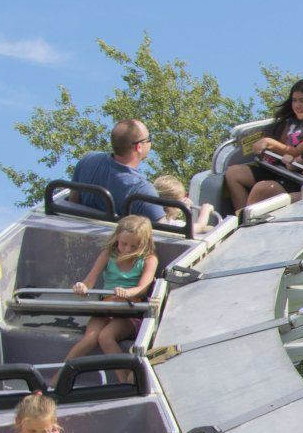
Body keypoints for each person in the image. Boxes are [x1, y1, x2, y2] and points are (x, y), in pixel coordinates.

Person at [66, 216, 159, 372]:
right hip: (106, 307)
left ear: (144, 243)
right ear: (117, 237)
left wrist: (127, 293)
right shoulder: (108, 254)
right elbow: (89, 281)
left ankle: (126, 380)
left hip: (129, 311)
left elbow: (143, 288)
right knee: (89, 340)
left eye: (134, 246)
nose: (128, 249)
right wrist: (82, 287)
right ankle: (55, 381)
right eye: (124, 244)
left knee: (105, 337)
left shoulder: (149, 259)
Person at [222, 79, 303, 212]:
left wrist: (269, 142)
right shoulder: (291, 122)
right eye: (294, 100)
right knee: (233, 173)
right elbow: (283, 145)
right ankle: (241, 214)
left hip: (296, 177)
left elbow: (295, 153)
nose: (297, 105)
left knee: (262, 188)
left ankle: (247, 221)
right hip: (278, 169)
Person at [70, 119, 164, 223]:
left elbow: (72, 202)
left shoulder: (87, 160)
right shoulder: (142, 190)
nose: (150, 142)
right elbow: (165, 232)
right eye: (148, 139)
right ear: (139, 147)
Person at [152, 173, 220, 235]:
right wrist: (205, 211)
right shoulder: (171, 226)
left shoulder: (151, 221)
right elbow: (199, 227)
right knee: (210, 228)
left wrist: (187, 210)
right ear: (175, 205)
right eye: (183, 198)